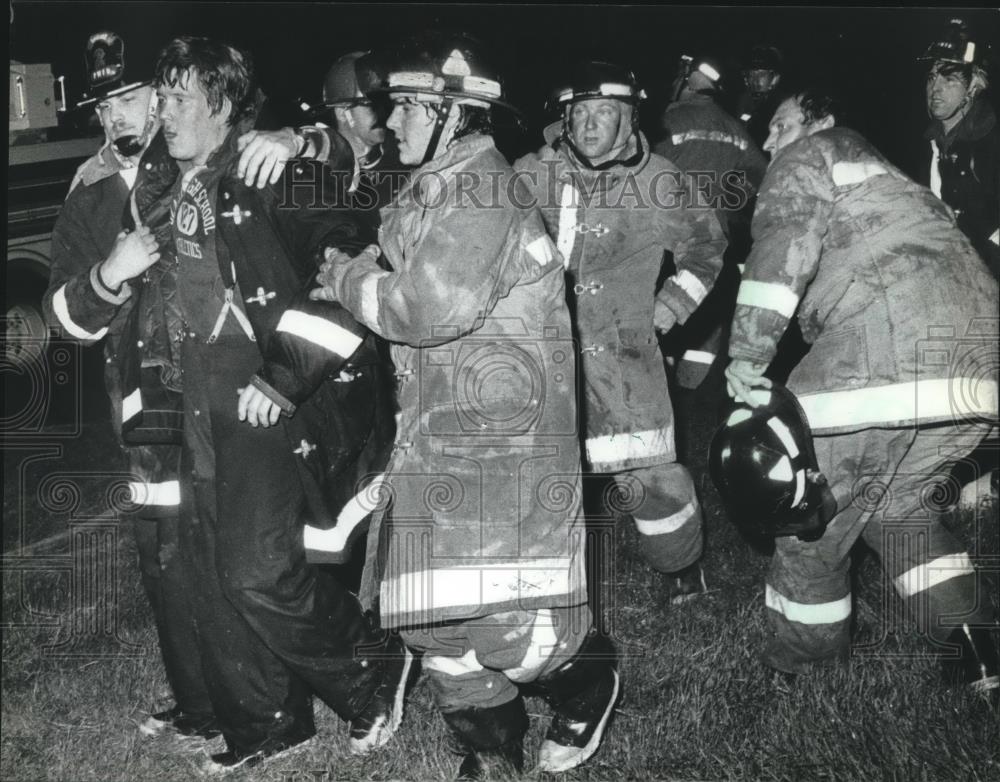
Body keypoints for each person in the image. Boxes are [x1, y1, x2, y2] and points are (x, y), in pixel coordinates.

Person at [312, 33, 619, 778]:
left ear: (455, 116)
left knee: (515, 627)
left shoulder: (484, 190)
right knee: (429, 620)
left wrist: (350, 278)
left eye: (411, 110)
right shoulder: (433, 190)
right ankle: (490, 745)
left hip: (505, 447)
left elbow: (425, 307)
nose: (392, 124)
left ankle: (587, 680)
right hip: (437, 437)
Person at [121, 36, 411, 771]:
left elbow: (354, 270)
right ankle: (270, 724)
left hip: (266, 398)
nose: (167, 110)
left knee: (256, 568)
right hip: (193, 398)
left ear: (224, 106)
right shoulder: (165, 183)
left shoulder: (276, 170)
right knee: (218, 571)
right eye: (164, 96)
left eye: (184, 97)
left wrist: (283, 377)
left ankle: (371, 663)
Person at [724, 86, 999, 704]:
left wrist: (747, 353)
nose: (768, 141)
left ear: (819, 118)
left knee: (812, 518)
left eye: (779, 124)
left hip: (888, 354)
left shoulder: (808, 156)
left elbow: (783, 250)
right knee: (900, 508)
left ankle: (805, 672)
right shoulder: (894, 178)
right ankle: (980, 651)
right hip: (979, 362)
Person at [44, 29, 224, 741]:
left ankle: (257, 690)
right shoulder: (87, 194)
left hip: (220, 390)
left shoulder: (204, 158)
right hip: (145, 408)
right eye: (103, 105)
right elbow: (62, 317)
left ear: (165, 92)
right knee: (165, 556)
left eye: (128, 96)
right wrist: (107, 276)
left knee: (235, 546)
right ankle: (199, 702)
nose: (116, 115)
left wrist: (305, 143)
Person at [513, 61, 728, 602]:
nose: (588, 125)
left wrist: (673, 303)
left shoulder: (658, 180)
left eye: (603, 112)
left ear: (629, 118)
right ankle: (539, 589)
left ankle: (681, 570)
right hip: (540, 352)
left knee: (648, 476)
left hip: (624, 356)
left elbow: (707, 249)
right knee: (535, 475)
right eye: (579, 112)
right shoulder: (529, 174)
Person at [655, 54, 766, 395]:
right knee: (703, 303)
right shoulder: (734, 128)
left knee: (660, 308)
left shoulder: (667, 121)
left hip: (666, 235)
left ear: (686, 82)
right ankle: (692, 379)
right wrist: (731, 199)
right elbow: (760, 173)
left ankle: (664, 373)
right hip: (714, 238)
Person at [917, 17, 999, 279]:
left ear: (974, 86)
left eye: (949, 79)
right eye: (931, 78)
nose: (935, 89)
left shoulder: (992, 144)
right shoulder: (926, 145)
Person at [736, 44, 785, 148]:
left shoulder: (783, 105)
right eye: (751, 74)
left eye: (761, 75)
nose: (755, 80)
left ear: (775, 77)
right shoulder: (744, 100)